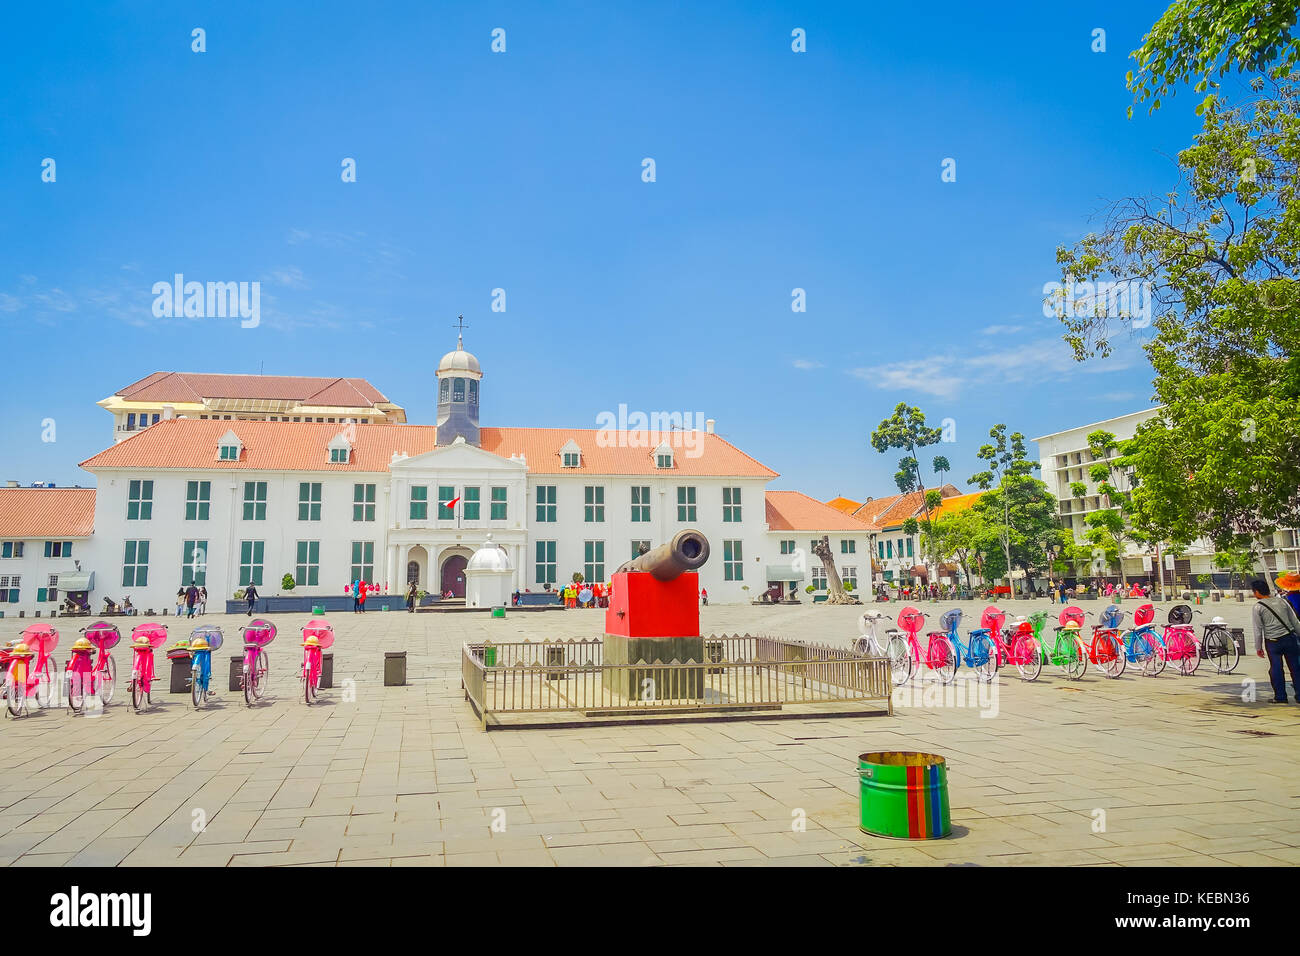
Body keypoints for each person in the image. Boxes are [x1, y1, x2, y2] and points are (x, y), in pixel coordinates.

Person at [1251, 578, 1300, 704]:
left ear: (1257, 592)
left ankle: (1280, 696)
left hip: (1273, 642)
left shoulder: (1258, 607)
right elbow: (1295, 622)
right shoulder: (1282, 601)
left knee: (1276, 668)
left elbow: (1258, 629)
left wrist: (1258, 647)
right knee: (1295, 668)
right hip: (1289, 638)